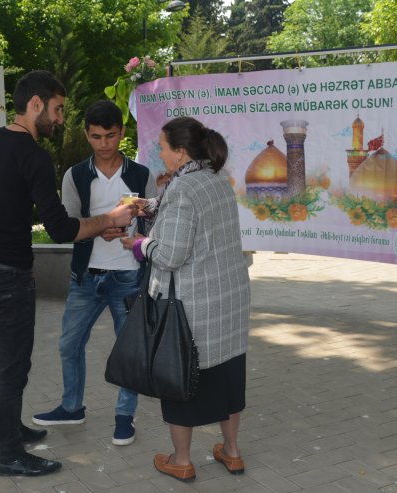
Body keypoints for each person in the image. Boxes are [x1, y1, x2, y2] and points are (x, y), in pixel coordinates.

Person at [0, 70, 136, 477]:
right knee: (12, 364)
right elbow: (62, 229)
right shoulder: (32, 154)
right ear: (35, 105)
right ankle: (9, 453)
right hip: (8, 276)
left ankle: (10, 430)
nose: (60, 119)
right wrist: (111, 218)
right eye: (57, 109)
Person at [121, 117, 251, 482]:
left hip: (192, 306)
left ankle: (181, 460)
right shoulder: (215, 181)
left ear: (180, 153)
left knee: (180, 378)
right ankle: (232, 452)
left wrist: (138, 244)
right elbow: (186, 219)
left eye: (162, 147)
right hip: (228, 300)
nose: (158, 153)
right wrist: (145, 206)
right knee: (227, 377)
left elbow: (170, 255)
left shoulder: (181, 189)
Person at [31, 100, 157, 446]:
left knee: (129, 350)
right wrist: (100, 229)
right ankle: (72, 407)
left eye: (111, 136)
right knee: (69, 344)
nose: (104, 144)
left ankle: (124, 415)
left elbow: (156, 223)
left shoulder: (141, 175)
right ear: (87, 135)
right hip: (86, 276)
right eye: (96, 136)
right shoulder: (75, 175)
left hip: (128, 276)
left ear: (122, 134)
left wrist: (136, 232)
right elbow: (70, 225)